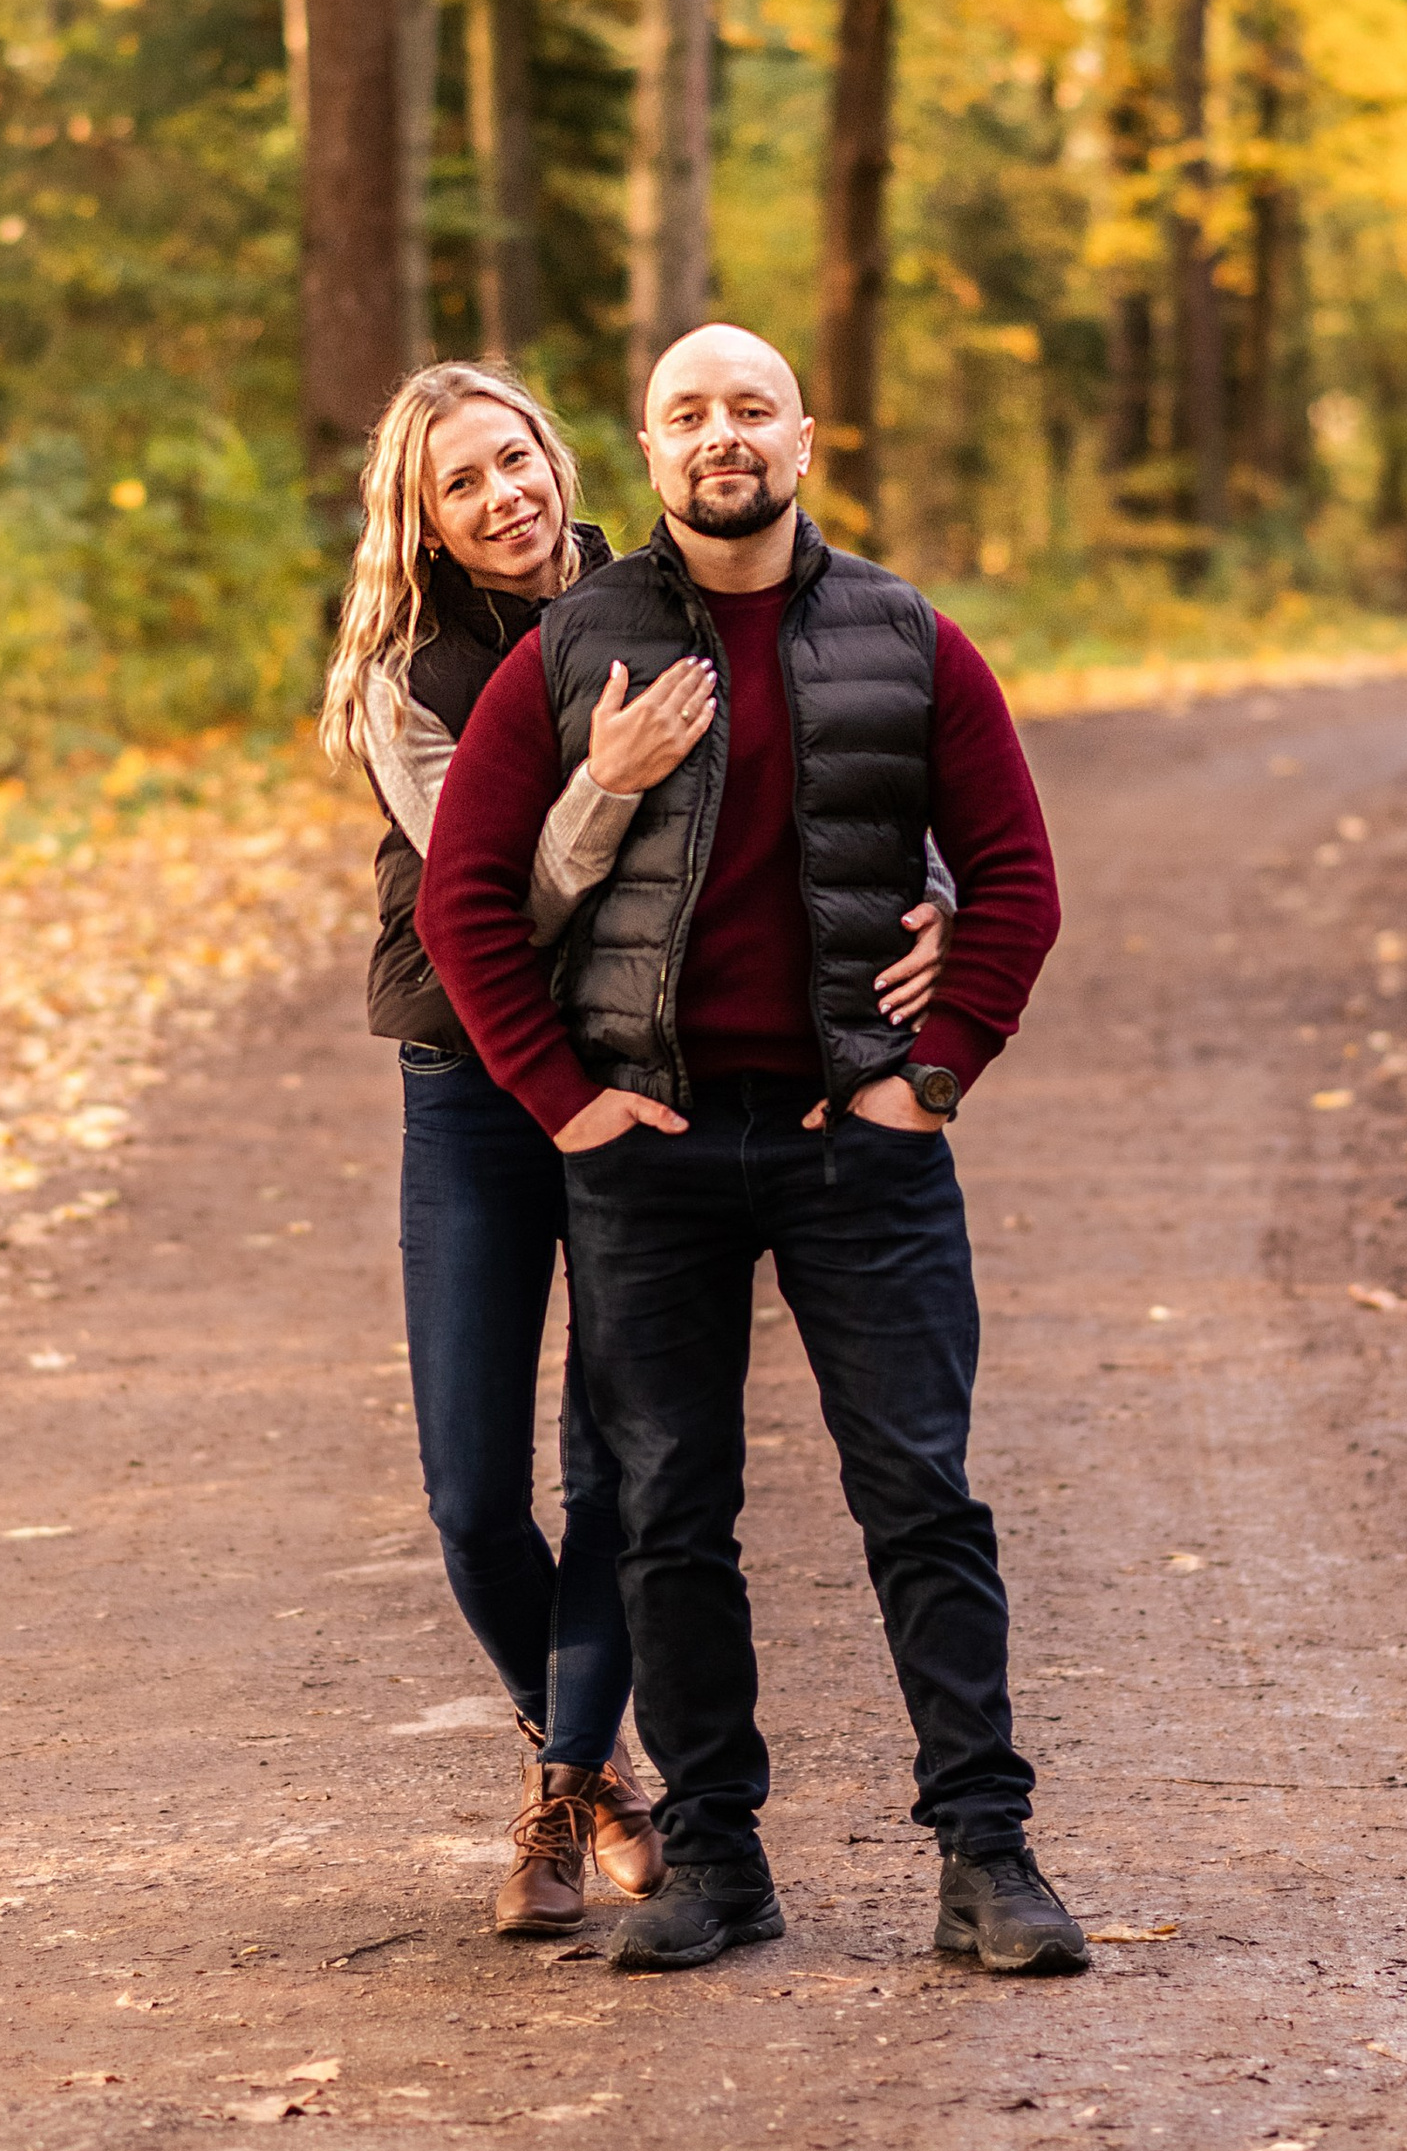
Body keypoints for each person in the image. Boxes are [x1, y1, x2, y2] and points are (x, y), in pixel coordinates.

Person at [417, 322, 1082, 1977]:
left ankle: (986, 1860)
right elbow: (462, 900)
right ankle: (718, 1862)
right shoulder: (573, 648)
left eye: (753, 410)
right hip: (649, 1152)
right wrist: (568, 1102)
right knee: (667, 1515)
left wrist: (930, 1073)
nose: (725, 437)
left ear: (805, 436)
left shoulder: (907, 635)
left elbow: (1013, 877)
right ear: (648, 455)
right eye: (689, 414)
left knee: (921, 1497)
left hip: (857, 1147)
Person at [320, 357, 953, 1938]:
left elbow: (835, 763)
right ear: (426, 520)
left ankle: (574, 1773)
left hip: (640, 1079)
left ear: (562, 453)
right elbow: (495, 908)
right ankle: (591, 1766)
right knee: (473, 1487)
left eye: (517, 458)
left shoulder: (661, 596)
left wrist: (927, 883)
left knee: (624, 1463)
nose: (506, 497)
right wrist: (603, 784)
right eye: (462, 483)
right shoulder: (406, 677)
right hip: (475, 1078)